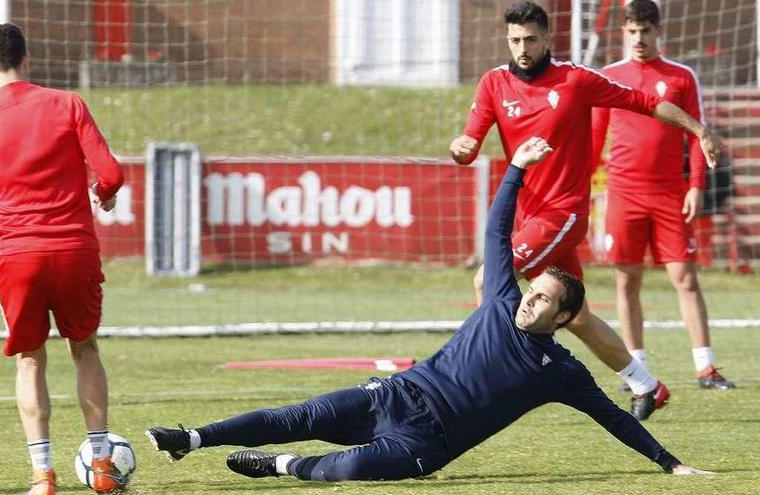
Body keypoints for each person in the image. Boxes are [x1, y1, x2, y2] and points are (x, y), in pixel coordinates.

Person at [145, 137, 711, 482]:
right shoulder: (500, 300)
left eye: (542, 299)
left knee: (350, 471)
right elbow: (496, 229)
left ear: (563, 319)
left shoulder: (562, 372)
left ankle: (284, 467)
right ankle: (190, 439)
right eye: (530, 289)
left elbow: (612, 418)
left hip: (426, 443)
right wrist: (516, 167)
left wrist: (671, 464)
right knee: (299, 415)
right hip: (396, 394)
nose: (528, 300)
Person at [448, 0, 724, 420]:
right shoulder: (493, 83)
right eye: (515, 39)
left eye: (530, 39)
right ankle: (646, 384)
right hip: (531, 215)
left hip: (564, 213)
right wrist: (461, 148)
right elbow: (468, 142)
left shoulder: (576, 80)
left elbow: (646, 103)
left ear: (547, 39)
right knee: (576, 318)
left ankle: (470, 381)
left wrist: (699, 129)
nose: (522, 47)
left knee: (489, 279)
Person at [0, 23, 124, 495]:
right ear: (27, 60)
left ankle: (42, 475)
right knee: (85, 348)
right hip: (74, 250)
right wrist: (103, 193)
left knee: (30, 360)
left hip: (20, 256)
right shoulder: (67, 104)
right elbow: (110, 172)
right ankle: (103, 465)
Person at [591, 0, 734, 390]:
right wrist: (583, 188)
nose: (639, 38)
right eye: (633, 31)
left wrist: (695, 186)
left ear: (658, 32)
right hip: (623, 193)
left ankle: (705, 367)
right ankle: (636, 370)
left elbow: (697, 135)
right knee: (626, 281)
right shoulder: (608, 76)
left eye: (646, 30)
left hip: (671, 193)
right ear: (623, 32)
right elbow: (593, 138)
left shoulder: (681, 76)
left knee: (685, 279)